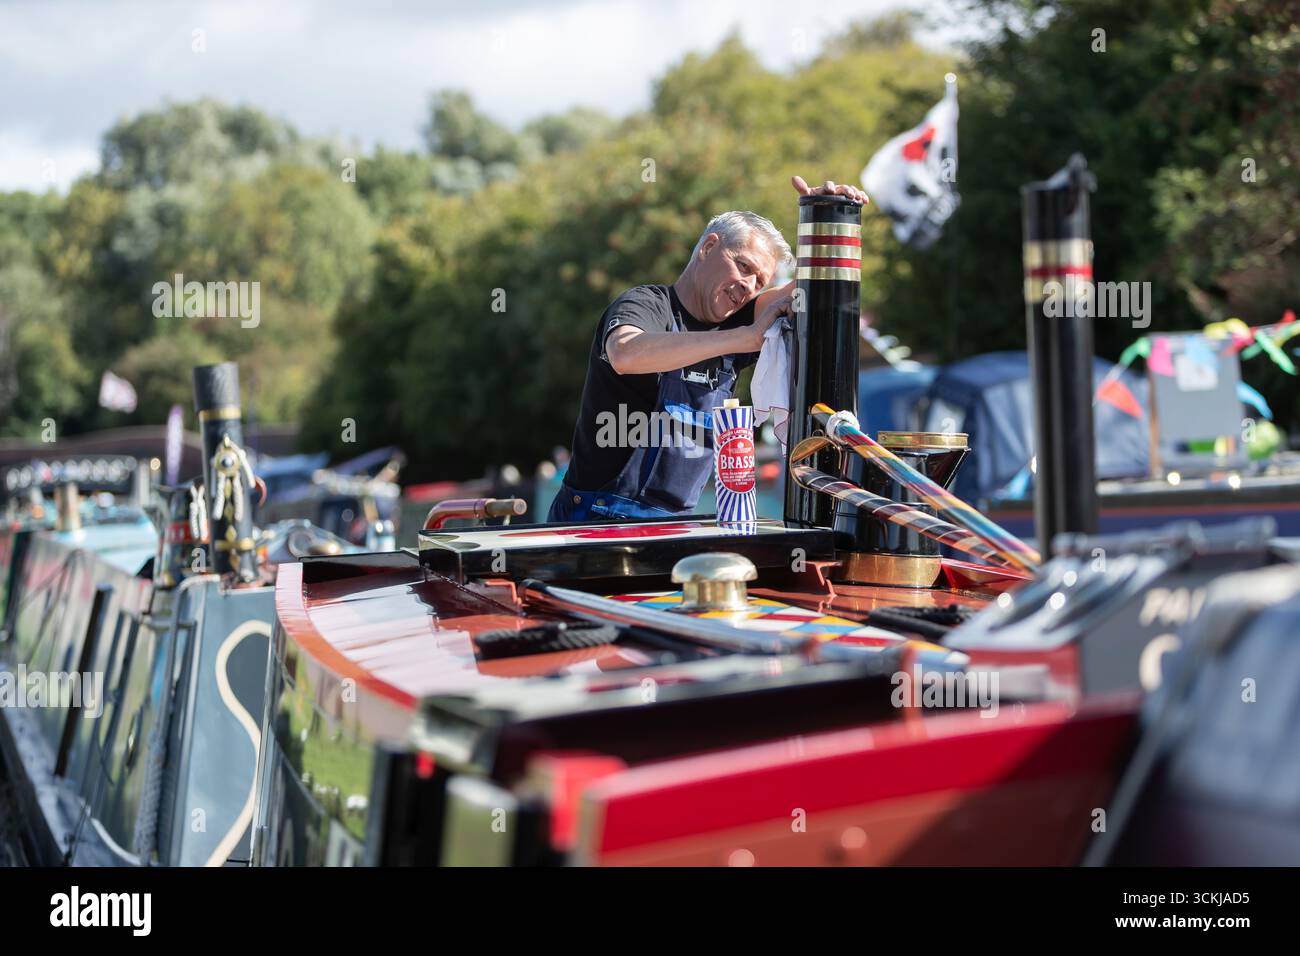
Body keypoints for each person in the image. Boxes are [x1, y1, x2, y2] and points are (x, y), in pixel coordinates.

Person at [548, 176, 869, 522]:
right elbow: (626, 353)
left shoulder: (742, 318)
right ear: (708, 247)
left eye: (759, 281)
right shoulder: (646, 304)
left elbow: (812, 286)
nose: (748, 285)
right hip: (595, 517)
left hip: (676, 525)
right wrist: (744, 338)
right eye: (743, 266)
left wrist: (831, 216)